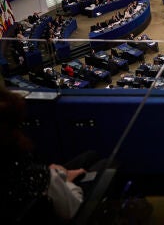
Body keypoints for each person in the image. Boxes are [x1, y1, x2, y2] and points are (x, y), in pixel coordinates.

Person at [0, 87, 104, 222]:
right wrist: (65, 180)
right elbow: (72, 208)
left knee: (91, 155)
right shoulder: (26, 170)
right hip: (71, 205)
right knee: (105, 164)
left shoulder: (15, 161)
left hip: (49, 180)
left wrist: (55, 173)